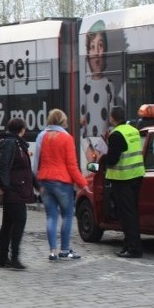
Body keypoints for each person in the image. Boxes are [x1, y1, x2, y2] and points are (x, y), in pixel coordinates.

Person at [33, 109, 88, 261]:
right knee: (68, 215)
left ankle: (52, 251)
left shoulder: (41, 136)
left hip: (44, 180)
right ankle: (65, 249)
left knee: (51, 216)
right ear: (63, 121)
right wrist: (83, 183)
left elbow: (36, 161)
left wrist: (36, 182)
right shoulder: (66, 138)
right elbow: (72, 166)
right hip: (62, 182)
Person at [92, 106, 145, 258]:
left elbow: (113, 159)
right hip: (137, 175)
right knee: (132, 213)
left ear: (113, 118)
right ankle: (132, 246)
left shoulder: (116, 134)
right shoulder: (133, 130)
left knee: (126, 215)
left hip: (123, 178)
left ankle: (132, 248)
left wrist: (102, 158)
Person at [0, 117, 37, 270]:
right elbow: (4, 166)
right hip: (14, 190)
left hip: (16, 188)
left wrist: (37, 184)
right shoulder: (11, 143)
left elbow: (25, 169)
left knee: (8, 224)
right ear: (22, 130)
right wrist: (6, 187)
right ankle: (13, 258)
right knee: (19, 221)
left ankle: (3, 258)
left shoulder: (14, 143)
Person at [80, 20, 116, 146]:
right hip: (91, 141)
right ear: (88, 54)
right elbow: (82, 118)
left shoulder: (109, 85)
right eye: (92, 47)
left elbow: (112, 117)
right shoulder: (86, 87)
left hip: (104, 141)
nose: (96, 53)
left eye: (100, 46)